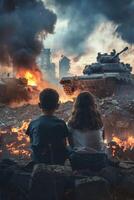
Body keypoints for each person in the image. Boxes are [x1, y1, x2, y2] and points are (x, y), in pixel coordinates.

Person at [26, 88, 69, 165]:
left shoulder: (33, 123)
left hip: (38, 161)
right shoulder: (61, 124)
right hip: (57, 162)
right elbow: (63, 145)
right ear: (57, 106)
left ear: (39, 105)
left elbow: (32, 143)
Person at [68, 91, 108, 171]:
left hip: (78, 161)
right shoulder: (99, 122)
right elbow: (102, 139)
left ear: (77, 105)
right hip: (99, 161)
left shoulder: (71, 123)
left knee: (67, 149)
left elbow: (71, 144)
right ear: (93, 105)